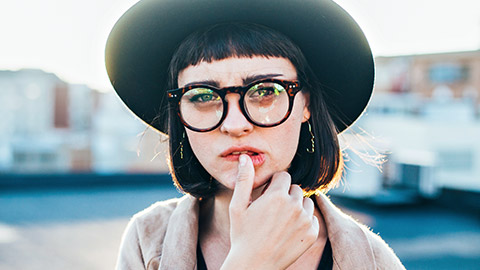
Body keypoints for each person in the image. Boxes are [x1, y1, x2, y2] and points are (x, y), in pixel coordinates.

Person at [105, 0, 405, 269]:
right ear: (179, 115)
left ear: (307, 105)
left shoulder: (373, 262)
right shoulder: (147, 240)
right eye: (202, 96)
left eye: (265, 91)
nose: (235, 125)